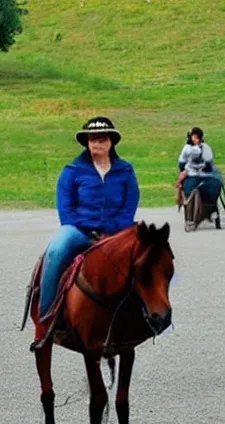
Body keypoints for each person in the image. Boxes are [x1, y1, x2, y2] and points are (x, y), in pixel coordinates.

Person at [36, 116, 140, 342]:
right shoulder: (72, 170)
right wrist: (86, 230)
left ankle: (146, 316)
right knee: (56, 249)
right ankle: (47, 316)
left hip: (116, 232)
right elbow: (65, 207)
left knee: (150, 256)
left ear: (111, 141)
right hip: (79, 231)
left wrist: (113, 231)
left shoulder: (125, 170)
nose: (97, 144)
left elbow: (130, 203)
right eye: (92, 139)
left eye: (102, 139)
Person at [175, 127, 222, 205]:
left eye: (197, 137)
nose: (195, 139)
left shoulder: (204, 147)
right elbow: (182, 163)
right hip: (192, 175)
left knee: (216, 184)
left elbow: (208, 162)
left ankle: (211, 207)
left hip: (204, 176)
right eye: (194, 137)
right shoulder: (188, 148)